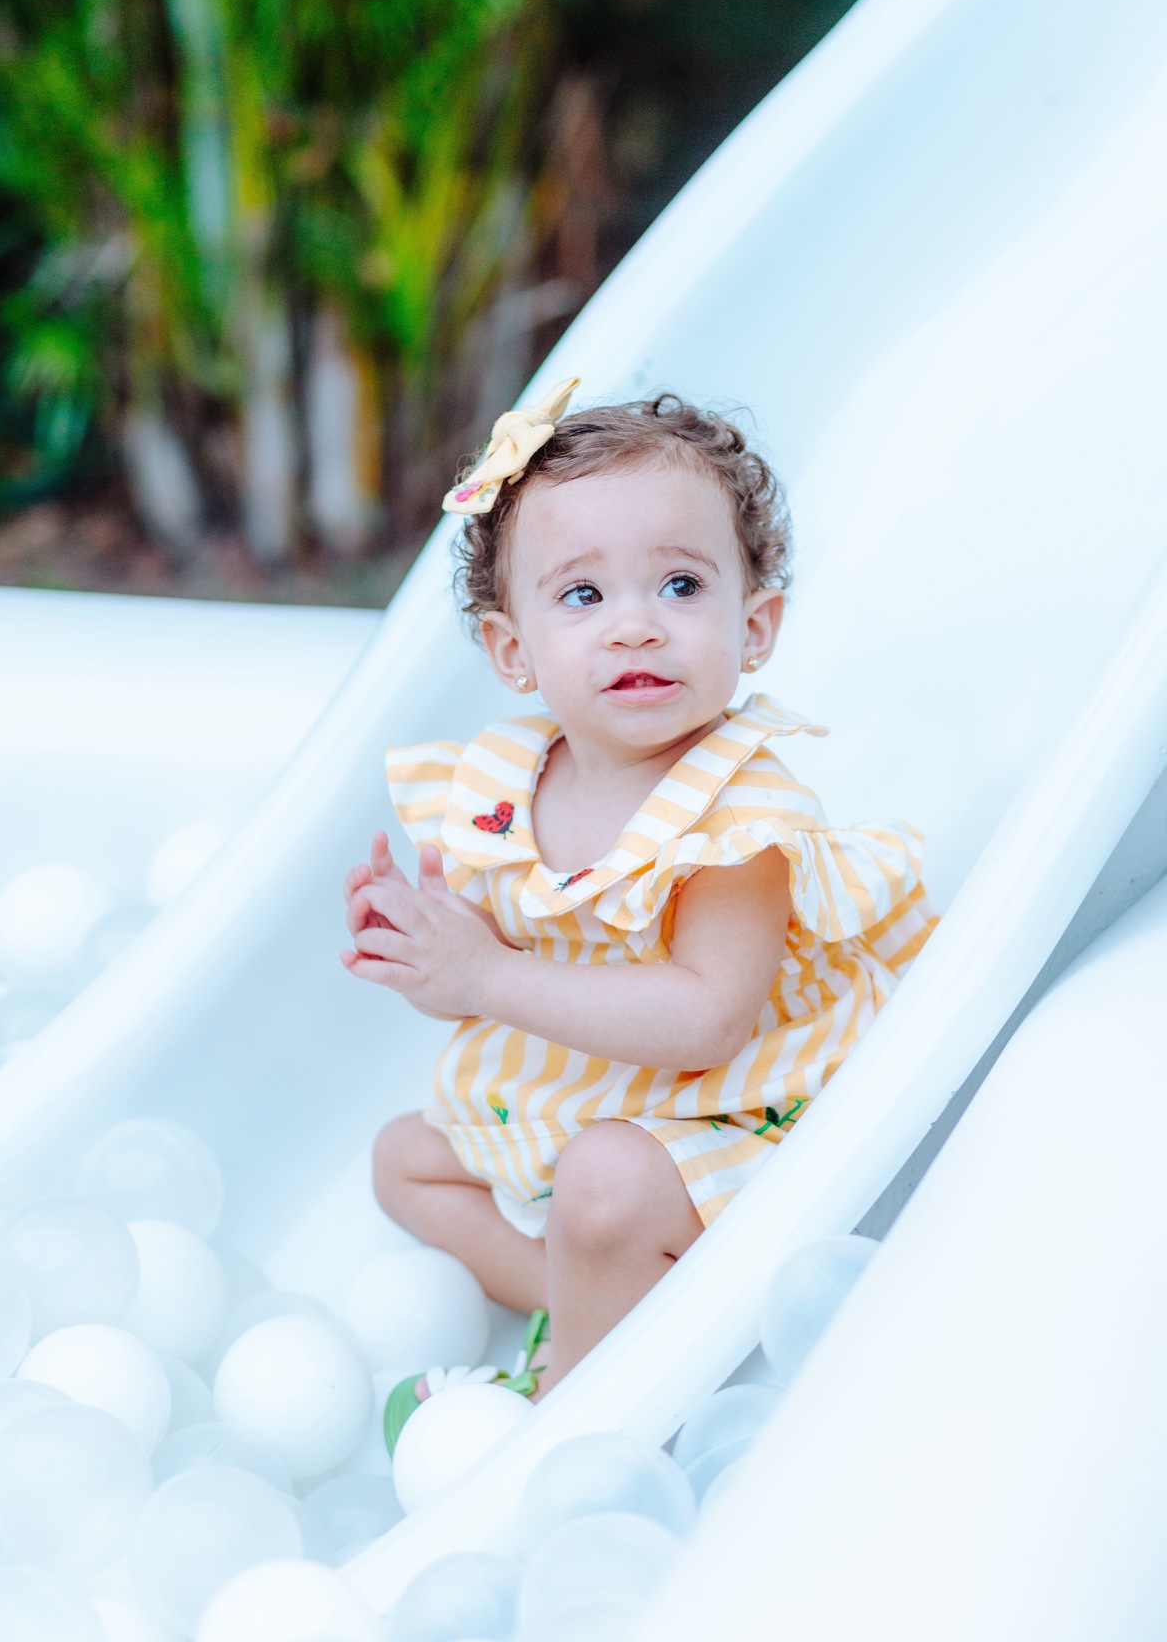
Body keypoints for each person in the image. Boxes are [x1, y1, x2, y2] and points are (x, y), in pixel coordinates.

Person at [341, 381, 936, 1402]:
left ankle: (572, 1391)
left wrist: (486, 975)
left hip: (735, 1112)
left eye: (680, 587)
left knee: (605, 1182)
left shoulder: (735, 816)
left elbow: (708, 1020)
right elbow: (489, 968)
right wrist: (435, 957)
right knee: (403, 1161)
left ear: (756, 626)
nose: (635, 628)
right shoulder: (502, 785)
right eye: (583, 595)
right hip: (589, 1088)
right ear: (512, 650)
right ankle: (600, 1302)